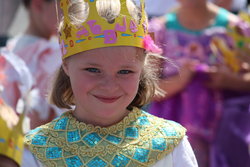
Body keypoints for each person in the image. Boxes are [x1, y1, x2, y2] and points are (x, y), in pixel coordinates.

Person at [24, 0, 198, 166]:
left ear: (142, 69)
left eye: (125, 72)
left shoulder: (170, 144)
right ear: (66, 65)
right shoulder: (36, 150)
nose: (109, 86)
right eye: (93, 70)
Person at [148, 0, 250, 167]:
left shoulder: (236, 28)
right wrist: (179, 81)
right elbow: (148, 90)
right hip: (175, 135)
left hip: (226, 136)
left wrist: (230, 81)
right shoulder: (159, 31)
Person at [6, 0, 62, 130]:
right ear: (38, 4)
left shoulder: (8, 49)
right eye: (65, 7)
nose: (72, 16)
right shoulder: (54, 55)